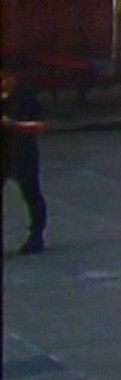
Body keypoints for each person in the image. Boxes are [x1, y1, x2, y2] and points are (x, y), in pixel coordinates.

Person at [1, 65, 49, 255]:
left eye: (5, 78)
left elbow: (39, 125)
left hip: (22, 153)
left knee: (31, 193)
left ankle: (36, 235)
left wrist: (13, 124)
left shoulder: (25, 98)